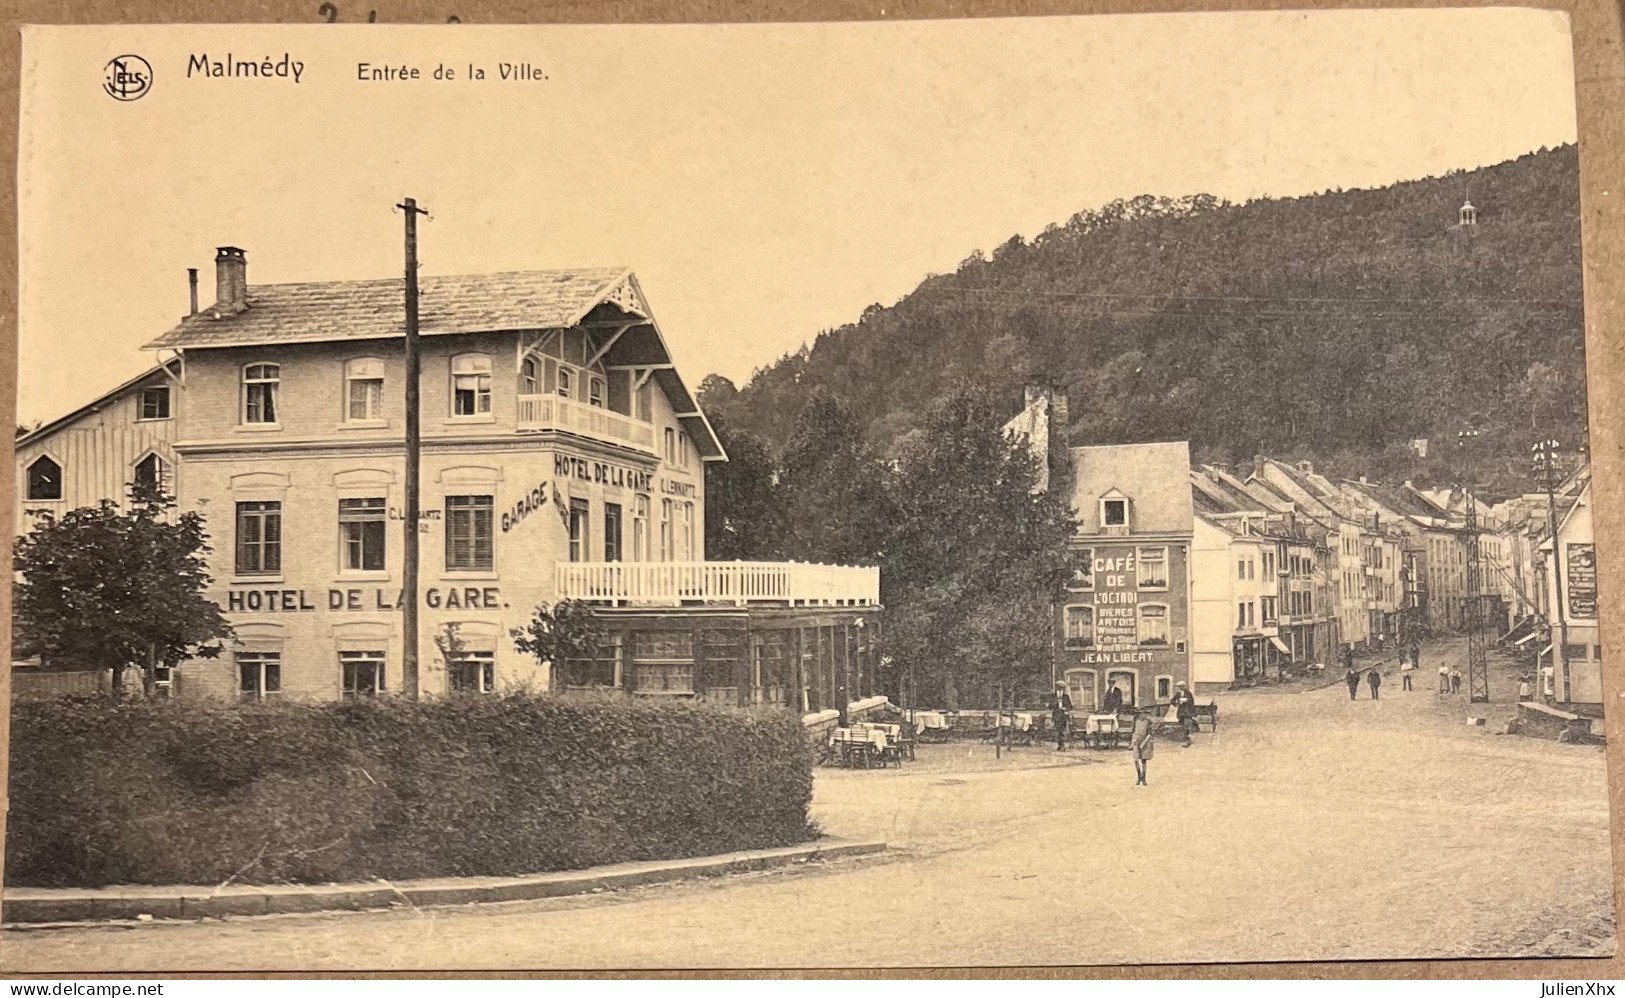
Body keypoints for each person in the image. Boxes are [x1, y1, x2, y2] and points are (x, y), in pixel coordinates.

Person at [1130, 710, 1154, 786]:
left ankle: (1143, 778)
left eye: (1144, 713)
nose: (1142, 715)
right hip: (1136, 741)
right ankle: (1138, 777)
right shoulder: (1135, 720)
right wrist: (1132, 742)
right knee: (1136, 759)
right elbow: (1133, 732)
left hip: (1145, 741)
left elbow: (1150, 734)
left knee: (1143, 760)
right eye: (1140, 713)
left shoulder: (1148, 721)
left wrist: (1143, 743)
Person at [1170, 681, 1197, 747]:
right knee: (1182, 725)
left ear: (1184, 686)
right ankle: (1185, 739)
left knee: (1187, 725)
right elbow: (1172, 701)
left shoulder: (1188, 693)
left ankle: (1187, 741)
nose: (1181, 688)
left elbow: (1192, 702)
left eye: (1182, 686)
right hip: (1181, 712)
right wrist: (1176, 704)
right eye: (1180, 686)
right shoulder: (1178, 694)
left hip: (1187, 712)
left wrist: (1186, 701)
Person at [1047, 682, 1072, 751]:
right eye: (1059, 688)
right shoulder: (1053, 696)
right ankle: (1060, 745)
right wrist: (1056, 703)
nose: (1061, 690)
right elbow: (1050, 706)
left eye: (1062, 688)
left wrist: (1065, 708)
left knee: (1062, 731)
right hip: (1056, 715)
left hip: (1063, 715)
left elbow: (1070, 706)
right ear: (1057, 688)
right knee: (1058, 731)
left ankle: (1062, 745)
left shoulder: (1066, 696)